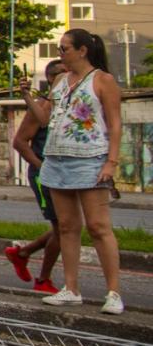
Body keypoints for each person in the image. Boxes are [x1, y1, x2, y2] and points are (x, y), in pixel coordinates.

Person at [32, 29, 123, 314]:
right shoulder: (59, 81)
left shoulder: (103, 80)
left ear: (82, 50)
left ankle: (114, 292)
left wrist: (111, 162)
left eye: (64, 49)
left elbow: (115, 124)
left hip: (90, 158)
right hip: (57, 159)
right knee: (68, 226)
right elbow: (45, 118)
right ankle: (71, 288)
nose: (60, 54)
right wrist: (27, 96)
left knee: (98, 227)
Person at [7, 59, 68, 294]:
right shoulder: (41, 106)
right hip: (44, 174)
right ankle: (43, 279)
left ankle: (23, 253)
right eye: (62, 74)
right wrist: (41, 167)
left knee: (67, 226)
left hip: (63, 174)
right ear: (52, 78)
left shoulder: (66, 105)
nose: (68, 77)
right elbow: (20, 142)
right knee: (64, 228)